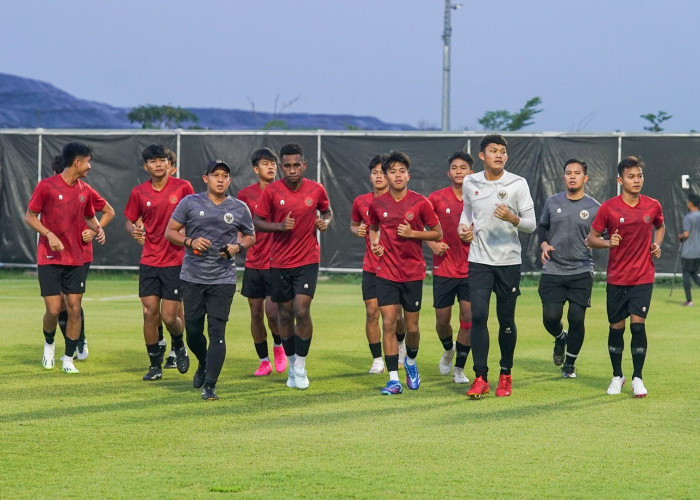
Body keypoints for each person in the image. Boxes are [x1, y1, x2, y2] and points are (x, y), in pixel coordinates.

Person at [165, 159, 255, 400]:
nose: (220, 179)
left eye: (225, 176)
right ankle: (203, 363)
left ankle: (210, 386)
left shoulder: (239, 207)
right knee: (193, 331)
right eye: (216, 175)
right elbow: (170, 231)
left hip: (223, 279)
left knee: (217, 332)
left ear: (229, 180)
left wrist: (237, 247)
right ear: (206, 178)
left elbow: (250, 236)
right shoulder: (190, 203)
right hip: (192, 277)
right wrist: (190, 241)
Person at [458, 134, 536, 399]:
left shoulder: (517, 183)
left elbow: (531, 224)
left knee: (506, 320)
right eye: (494, 151)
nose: (499, 155)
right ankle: (480, 377)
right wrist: (463, 230)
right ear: (482, 155)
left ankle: (506, 375)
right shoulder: (470, 181)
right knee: (478, 316)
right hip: (479, 260)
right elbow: (467, 213)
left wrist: (513, 218)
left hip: (508, 262)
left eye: (503, 151)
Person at [253, 143, 332, 390]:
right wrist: (279, 226)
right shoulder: (272, 192)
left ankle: (301, 366)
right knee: (284, 315)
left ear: (304, 165)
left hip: (308, 260)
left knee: (301, 310)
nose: (291, 169)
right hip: (279, 263)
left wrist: (325, 222)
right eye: (286, 165)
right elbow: (257, 221)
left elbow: (327, 211)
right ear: (281, 167)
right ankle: (290, 364)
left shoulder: (316, 189)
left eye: (296, 165)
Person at [24, 142, 106, 374]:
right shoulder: (46, 186)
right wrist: (49, 234)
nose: (90, 167)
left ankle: (68, 358)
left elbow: (92, 217)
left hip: (77, 259)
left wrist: (97, 230)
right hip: (49, 257)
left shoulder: (85, 190)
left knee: (74, 308)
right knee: (52, 310)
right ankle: (49, 346)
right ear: (77, 162)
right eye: (88, 161)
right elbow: (30, 216)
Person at [588, 155, 664, 398]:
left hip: (643, 277)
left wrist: (656, 244)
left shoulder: (653, 205)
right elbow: (591, 239)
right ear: (620, 180)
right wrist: (608, 243)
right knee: (616, 328)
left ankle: (637, 378)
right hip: (616, 279)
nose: (637, 180)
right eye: (631, 177)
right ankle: (617, 375)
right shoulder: (608, 208)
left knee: (638, 326)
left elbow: (660, 226)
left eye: (639, 176)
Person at [368, 151, 442, 395]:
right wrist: (376, 245)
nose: (397, 175)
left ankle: (410, 361)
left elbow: (437, 233)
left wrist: (413, 234)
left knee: (412, 328)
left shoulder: (421, 202)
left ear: (408, 175)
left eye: (401, 171)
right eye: (392, 171)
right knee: (388, 322)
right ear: (386, 175)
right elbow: (373, 229)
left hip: (412, 273)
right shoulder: (377, 204)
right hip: (386, 272)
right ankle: (393, 378)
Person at [124, 144, 195, 381]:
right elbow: (130, 220)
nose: (158, 164)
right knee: (148, 313)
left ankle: (178, 344)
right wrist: (134, 230)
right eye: (153, 161)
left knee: (168, 317)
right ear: (146, 166)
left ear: (169, 163)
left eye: (162, 160)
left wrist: (191, 241)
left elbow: (195, 216)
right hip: (149, 260)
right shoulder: (138, 193)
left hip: (176, 260)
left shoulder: (183, 187)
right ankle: (155, 365)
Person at [538, 159, 600, 378]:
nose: (572, 176)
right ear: (564, 177)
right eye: (568, 173)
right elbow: (542, 227)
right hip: (553, 270)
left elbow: (604, 236)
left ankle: (570, 364)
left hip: (581, 271)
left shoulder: (595, 207)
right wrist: (544, 244)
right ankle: (559, 337)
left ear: (585, 178)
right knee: (550, 318)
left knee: (577, 318)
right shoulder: (552, 202)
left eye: (577, 173)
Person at [51, 157, 115, 362]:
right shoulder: (48, 191)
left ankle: (80, 342)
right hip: (55, 255)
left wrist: (96, 231)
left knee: (72, 301)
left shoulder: (82, 190)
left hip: (79, 255)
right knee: (59, 303)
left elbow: (99, 216)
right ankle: (71, 343)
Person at [350, 154, 408, 374]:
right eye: (375, 172)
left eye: (383, 172)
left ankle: (400, 345)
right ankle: (377, 359)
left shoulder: (401, 201)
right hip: (372, 267)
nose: (379, 176)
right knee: (372, 312)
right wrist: (358, 230)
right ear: (370, 176)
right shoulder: (361, 201)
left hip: (396, 269)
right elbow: (354, 226)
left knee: (395, 316)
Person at [238, 147, 286, 376]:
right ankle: (264, 360)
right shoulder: (246, 195)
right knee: (256, 313)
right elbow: (239, 226)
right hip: (253, 263)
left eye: (273, 163)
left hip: (277, 263)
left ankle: (279, 346)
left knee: (273, 312)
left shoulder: (285, 191)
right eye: (265, 164)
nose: (270, 167)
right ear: (256, 169)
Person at [427, 152, 474, 384]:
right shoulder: (436, 198)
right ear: (448, 172)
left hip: (472, 269)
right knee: (442, 320)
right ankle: (448, 349)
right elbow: (419, 226)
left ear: (471, 172)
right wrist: (432, 243)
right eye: (454, 167)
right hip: (444, 269)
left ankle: (459, 369)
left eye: (463, 167)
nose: (458, 171)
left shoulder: (478, 198)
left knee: (468, 319)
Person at [678, 193, 700, 306]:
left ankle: (689, 300)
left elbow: (686, 234)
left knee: (686, 274)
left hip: (688, 251)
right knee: (694, 274)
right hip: (698, 251)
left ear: (691, 203)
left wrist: (680, 236)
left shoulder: (688, 217)